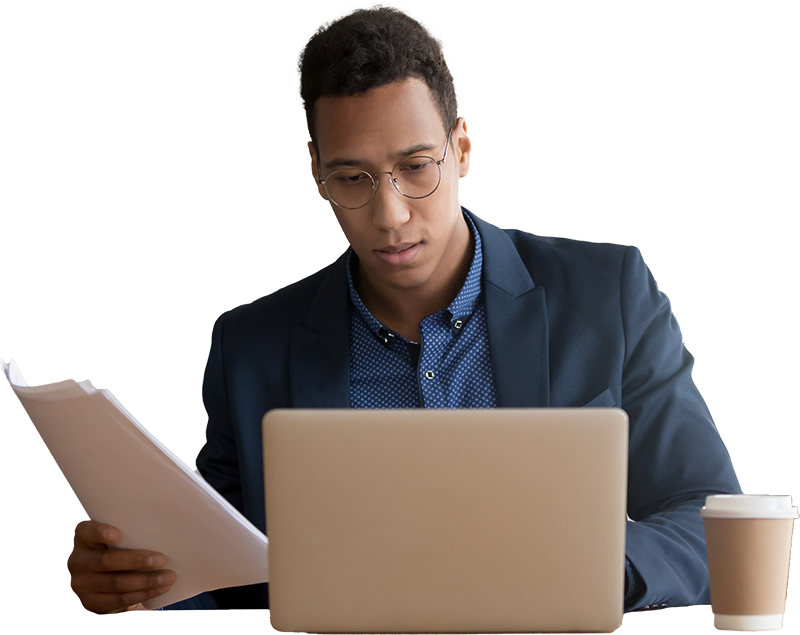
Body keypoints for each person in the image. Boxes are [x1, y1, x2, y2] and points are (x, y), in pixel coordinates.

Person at [68, 5, 741, 614]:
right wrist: (138, 582)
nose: (389, 215)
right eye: (352, 177)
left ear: (462, 149)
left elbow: (711, 522)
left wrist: (591, 570)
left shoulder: (605, 295)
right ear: (316, 172)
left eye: (417, 167)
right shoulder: (252, 348)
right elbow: (224, 569)